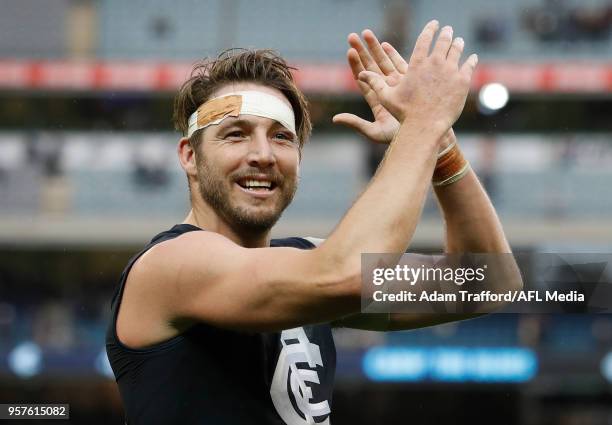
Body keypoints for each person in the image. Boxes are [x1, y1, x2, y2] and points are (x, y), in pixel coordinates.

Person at [106, 20, 520, 425]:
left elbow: (485, 281)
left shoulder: (306, 261)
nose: (263, 154)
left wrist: (442, 145)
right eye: (236, 134)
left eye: (282, 137)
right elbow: (346, 275)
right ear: (190, 156)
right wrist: (423, 126)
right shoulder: (170, 265)